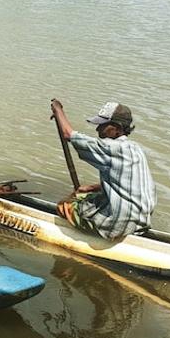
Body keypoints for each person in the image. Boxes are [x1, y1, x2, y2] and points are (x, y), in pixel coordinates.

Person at [50, 99, 157, 240]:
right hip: (142, 220)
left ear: (117, 129)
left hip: (120, 221)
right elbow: (127, 182)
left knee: (65, 205)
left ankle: (83, 236)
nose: (98, 129)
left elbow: (68, 134)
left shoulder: (111, 148)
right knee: (82, 195)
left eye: (103, 126)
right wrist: (91, 187)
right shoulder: (135, 148)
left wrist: (58, 110)